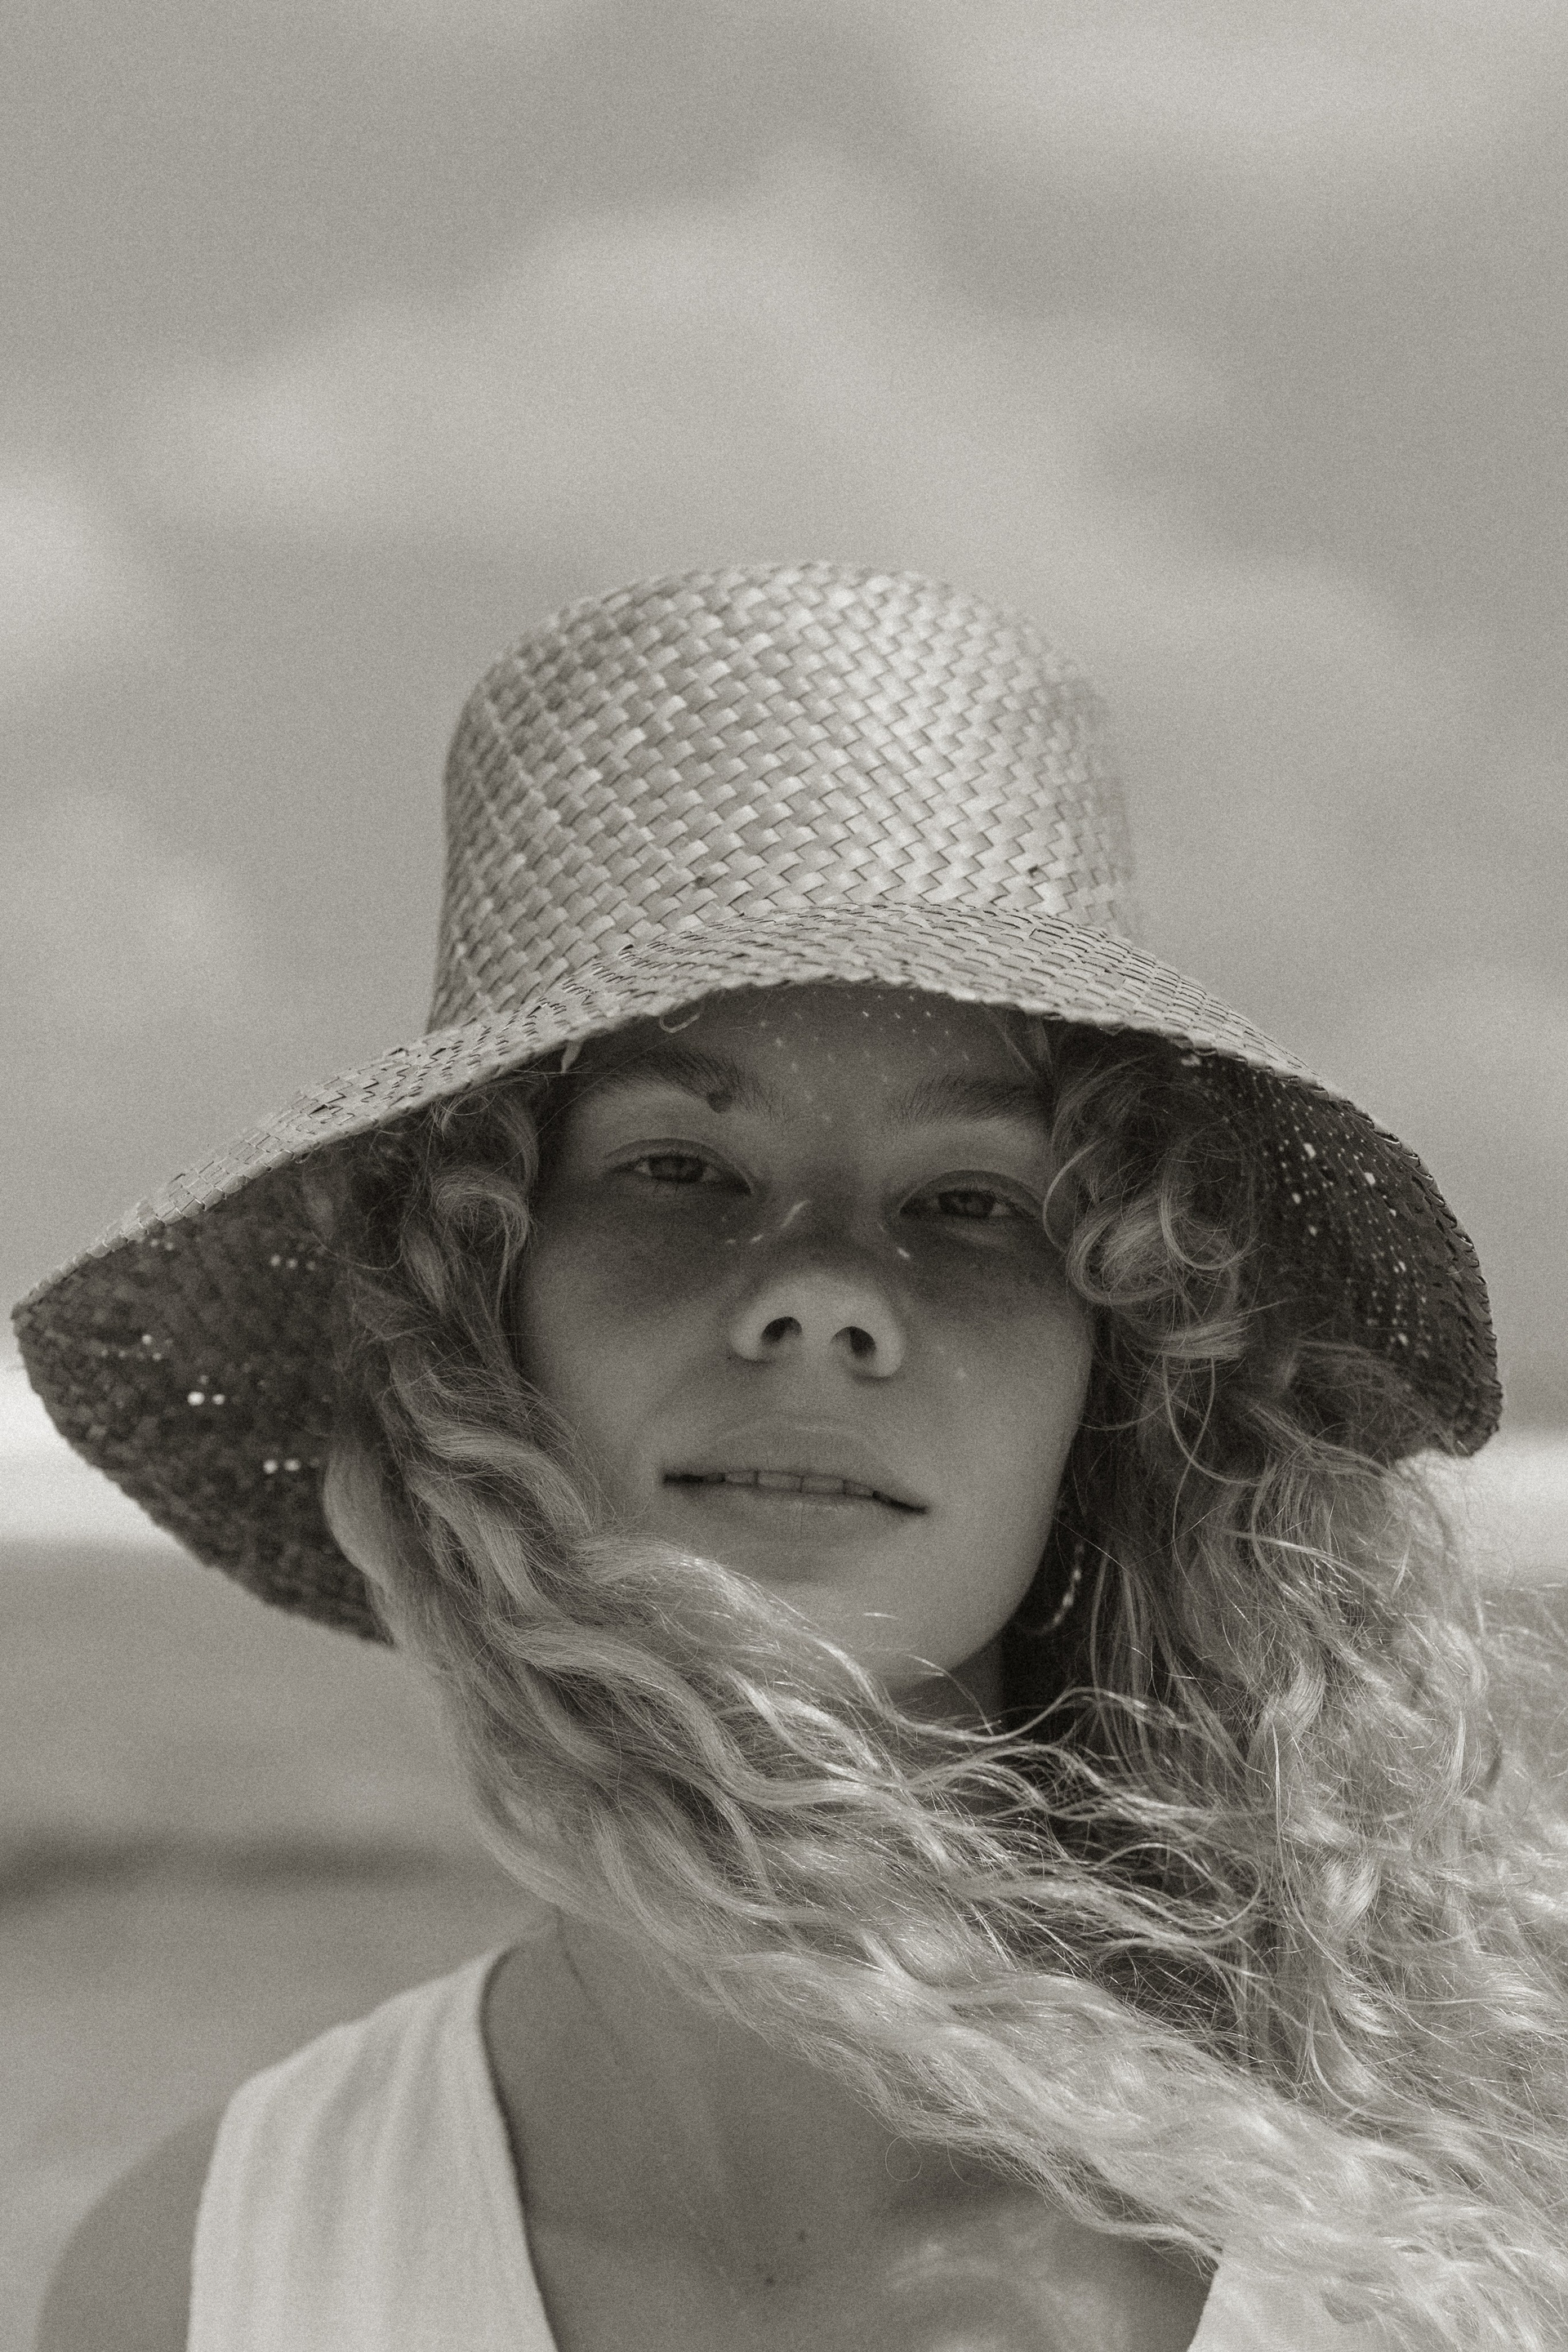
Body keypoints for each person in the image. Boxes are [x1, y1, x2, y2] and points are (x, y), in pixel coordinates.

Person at [20, 564, 1568, 2352]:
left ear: (1120, 1362)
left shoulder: (1467, 2248)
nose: (824, 1295)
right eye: (681, 1170)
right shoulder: (202, 2280)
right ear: (473, 1329)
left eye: (971, 1201)